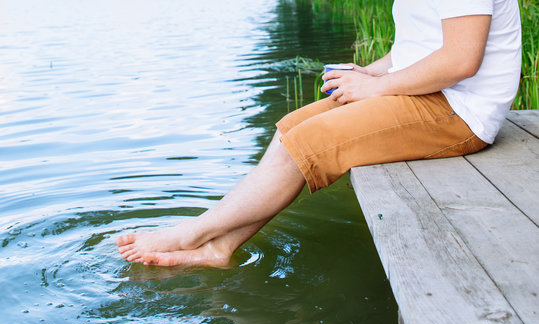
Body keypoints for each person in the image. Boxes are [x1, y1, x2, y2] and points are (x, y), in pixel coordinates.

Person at [116, 0, 522, 267]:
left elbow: (461, 59)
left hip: (458, 111)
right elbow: (414, 50)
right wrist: (369, 74)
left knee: (307, 145)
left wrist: (376, 88)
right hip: (425, 93)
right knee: (291, 130)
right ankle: (220, 248)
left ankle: (191, 233)